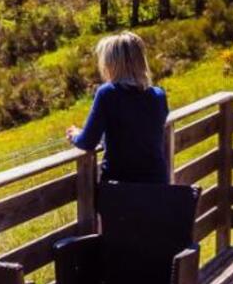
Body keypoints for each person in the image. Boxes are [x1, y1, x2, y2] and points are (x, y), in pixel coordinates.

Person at [66, 31, 169, 183]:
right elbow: (138, 132)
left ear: (112, 64)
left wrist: (74, 135)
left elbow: (88, 142)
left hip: (120, 190)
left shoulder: (108, 93)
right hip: (157, 189)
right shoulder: (158, 96)